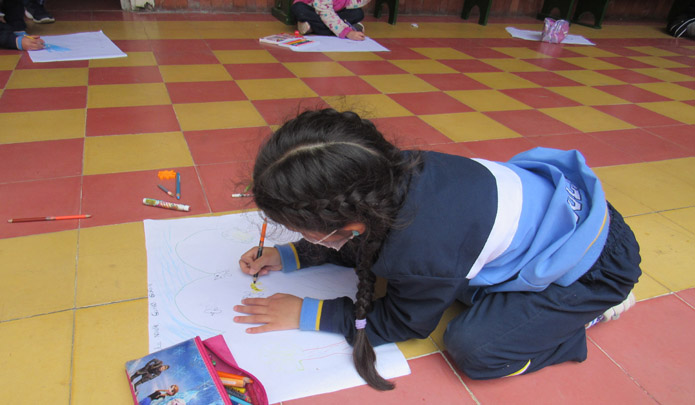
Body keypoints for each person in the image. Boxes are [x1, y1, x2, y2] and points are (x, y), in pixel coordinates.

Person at [235, 109, 642, 389]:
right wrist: (294, 255)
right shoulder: (386, 171)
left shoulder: (421, 247)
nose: (298, 236)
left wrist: (309, 313)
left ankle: (584, 318)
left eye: (300, 231)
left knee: (475, 348)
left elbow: (407, 323)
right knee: (442, 281)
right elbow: (362, 240)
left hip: (594, 267)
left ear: (348, 223)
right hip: (570, 216)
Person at [291, 0, 370, 41]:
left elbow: (353, 3)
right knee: (299, 9)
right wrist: (347, 32)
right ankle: (346, 26)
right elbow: (324, 11)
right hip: (313, 9)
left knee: (358, 13)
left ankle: (312, 27)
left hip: (335, 12)